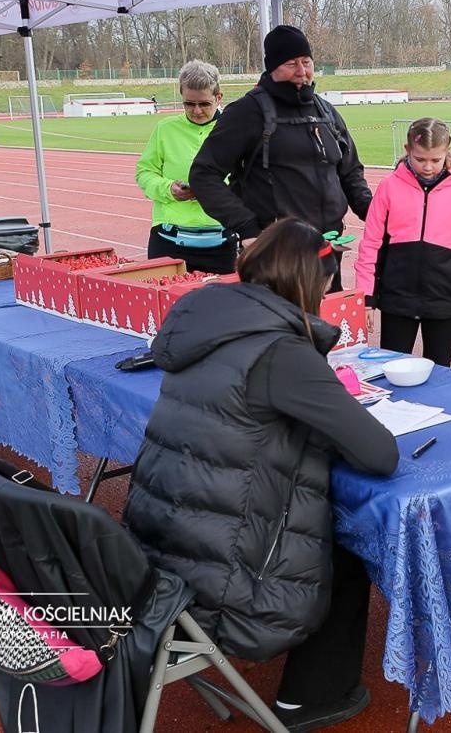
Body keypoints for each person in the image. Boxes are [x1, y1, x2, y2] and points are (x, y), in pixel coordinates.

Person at [123, 217, 399, 732]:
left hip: (148, 555)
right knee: (348, 548)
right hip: (220, 582)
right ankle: (309, 697)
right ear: (308, 283)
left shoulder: (207, 321)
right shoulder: (281, 352)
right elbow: (379, 453)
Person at [190, 25, 373, 285]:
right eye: (290, 63)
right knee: (278, 313)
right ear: (272, 68)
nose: (301, 71)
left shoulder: (326, 112)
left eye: (306, 62)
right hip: (274, 254)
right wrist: (247, 228)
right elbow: (203, 174)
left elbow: (351, 172)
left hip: (326, 252)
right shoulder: (247, 112)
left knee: (327, 312)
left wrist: (376, 214)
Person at [354, 118, 451, 367]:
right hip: (397, 300)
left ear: (447, 151)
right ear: (407, 150)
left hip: (443, 301)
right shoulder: (388, 187)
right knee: (392, 369)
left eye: (436, 160)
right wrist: (366, 299)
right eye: (420, 159)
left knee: (439, 371)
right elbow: (371, 245)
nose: (428, 167)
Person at [134, 59, 237, 273]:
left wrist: (215, 191)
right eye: (189, 104)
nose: (196, 111)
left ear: (218, 97)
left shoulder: (234, 129)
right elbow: (144, 173)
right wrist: (168, 189)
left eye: (204, 104)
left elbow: (251, 180)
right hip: (168, 241)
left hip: (223, 243)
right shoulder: (165, 129)